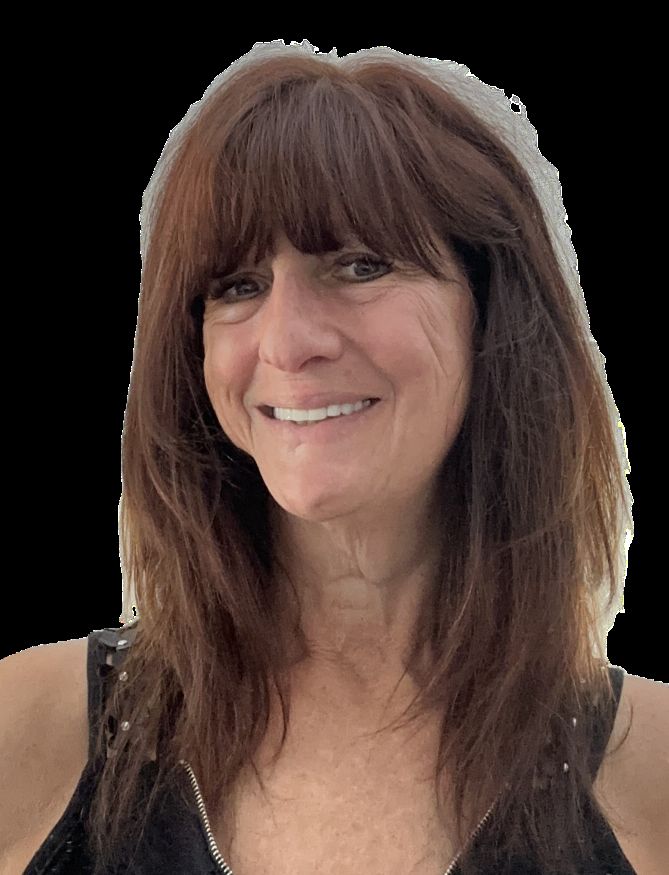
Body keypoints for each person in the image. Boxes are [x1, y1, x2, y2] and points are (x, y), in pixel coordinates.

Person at [2, 40, 666, 875]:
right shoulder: (33, 732)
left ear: (491, 311)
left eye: (358, 265)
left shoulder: (649, 769)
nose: (286, 342)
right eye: (237, 285)